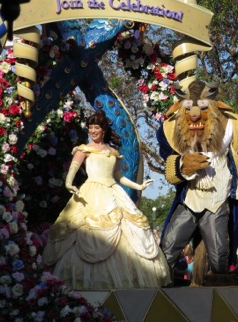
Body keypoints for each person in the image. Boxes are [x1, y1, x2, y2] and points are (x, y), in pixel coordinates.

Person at [43, 110, 171, 289]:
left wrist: (139, 186)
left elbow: (119, 177)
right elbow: (71, 172)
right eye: (90, 127)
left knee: (127, 229)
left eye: (96, 127)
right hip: (91, 193)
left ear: (104, 129)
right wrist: (69, 184)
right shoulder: (83, 149)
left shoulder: (113, 152)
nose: (93, 131)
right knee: (84, 229)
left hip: (113, 192)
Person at [157, 80, 238, 281]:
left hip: (217, 201)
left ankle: (219, 298)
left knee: (219, 256)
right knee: (168, 247)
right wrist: (183, 165)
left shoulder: (232, 128)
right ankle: (161, 290)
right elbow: (169, 165)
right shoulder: (173, 132)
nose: (196, 114)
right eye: (189, 109)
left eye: (203, 108)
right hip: (189, 199)